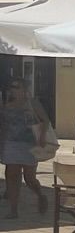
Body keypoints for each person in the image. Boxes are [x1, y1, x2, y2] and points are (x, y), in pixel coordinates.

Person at [1, 83, 49, 216]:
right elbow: (4, 125)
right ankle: (13, 209)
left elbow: (45, 120)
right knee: (11, 176)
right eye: (12, 87)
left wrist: (42, 136)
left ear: (24, 89)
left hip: (29, 144)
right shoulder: (6, 105)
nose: (13, 90)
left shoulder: (32, 103)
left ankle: (40, 195)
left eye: (17, 87)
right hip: (10, 143)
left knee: (29, 178)